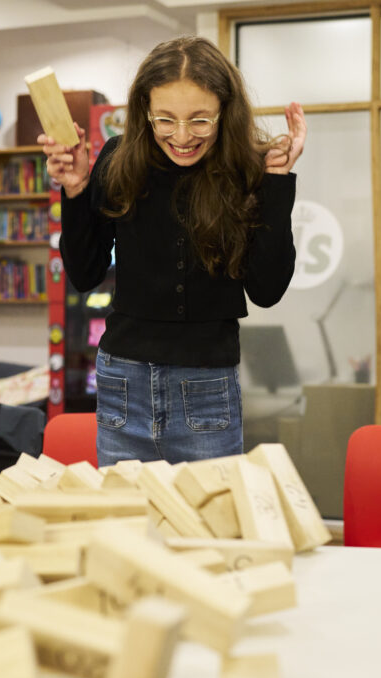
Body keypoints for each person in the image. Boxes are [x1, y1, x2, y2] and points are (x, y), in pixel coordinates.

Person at [40, 36, 306, 466]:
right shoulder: (118, 158)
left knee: (207, 527)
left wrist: (275, 183)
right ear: (145, 111)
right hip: (122, 378)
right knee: (126, 526)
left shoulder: (246, 170)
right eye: (165, 119)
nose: (182, 137)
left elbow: (267, 289)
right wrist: (76, 191)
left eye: (200, 120)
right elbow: (86, 273)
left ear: (225, 111)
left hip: (207, 384)